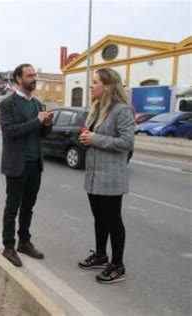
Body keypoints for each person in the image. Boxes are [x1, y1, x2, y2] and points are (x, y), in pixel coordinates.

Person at [78, 68, 135, 284]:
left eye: (95, 82)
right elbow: (93, 136)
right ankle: (101, 255)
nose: (91, 86)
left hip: (111, 177)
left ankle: (118, 265)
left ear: (108, 86)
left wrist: (95, 138)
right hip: (93, 176)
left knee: (113, 221)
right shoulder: (97, 107)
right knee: (99, 219)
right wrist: (84, 138)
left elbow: (127, 143)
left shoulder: (122, 110)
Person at [0, 64, 53, 267]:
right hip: (16, 164)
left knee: (28, 206)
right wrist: (37, 122)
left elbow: (42, 134)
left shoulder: (38, 104)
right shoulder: (8, 104)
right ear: (18, 79)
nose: (34, 78)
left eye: (35, 75)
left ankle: (24, 241)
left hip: (35, 163)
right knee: (12, 206)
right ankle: (8, 246)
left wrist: (47, 124)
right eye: (30, 75)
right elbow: (10, 131)